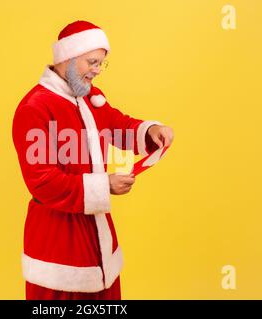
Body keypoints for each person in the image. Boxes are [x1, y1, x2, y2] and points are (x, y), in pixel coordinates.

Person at [12, 20, 174, 300]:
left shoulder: (90, 98)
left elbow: (116, 125)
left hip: (98, 239)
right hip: (58, 245)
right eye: (92, 62)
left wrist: (151, 131)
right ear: (68, 57)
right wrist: (104, 186)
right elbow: (42, 181)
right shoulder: (35, 108)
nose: (97, 70)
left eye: (101, 63)